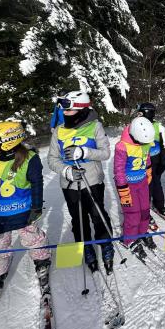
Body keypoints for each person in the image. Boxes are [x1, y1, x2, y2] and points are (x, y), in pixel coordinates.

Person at [48, 91, 114, 274]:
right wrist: (66, 171)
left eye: (68, 110)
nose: (64, 113)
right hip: (70, 184)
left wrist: (84, 152)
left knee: (98, 214)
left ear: (80, 110)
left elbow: (105, 153)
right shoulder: (59, 130)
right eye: (63, 109)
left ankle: (105, 243)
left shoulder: (95, 126)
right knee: (78, 218)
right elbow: (52, 159)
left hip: (92, 181)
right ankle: (86, 246)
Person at [0, 122, 51, 301]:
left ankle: (41, 259)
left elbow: (37, 183)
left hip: (22, 211)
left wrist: (36, 207)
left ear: (9, 141)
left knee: (32, 238)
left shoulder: (29, 159)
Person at [113, 116, 155, 257]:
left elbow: (146, 157)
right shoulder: (122, 146)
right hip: (128, 186)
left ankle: (142, 232)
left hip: (142, 182)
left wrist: (148, 171)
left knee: (145, 210)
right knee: (133, 214)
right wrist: (123, 189)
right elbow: (119, 170)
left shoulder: (145, 141)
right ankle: (129, 239)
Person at [137, 103, 165, 227]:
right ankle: (144, 210)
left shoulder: (159, 127)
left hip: (155, 161)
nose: (139, 115)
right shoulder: (136, 125)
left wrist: (163, 162)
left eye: (141, 113)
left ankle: (159, 205)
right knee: (145, 187)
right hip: (141, 162)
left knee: (156, 183)